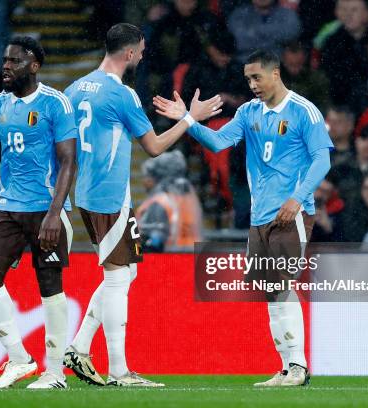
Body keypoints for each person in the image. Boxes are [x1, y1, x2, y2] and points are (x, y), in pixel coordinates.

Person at [154, 49, 333, 386]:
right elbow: (219, 142)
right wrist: (188, 121)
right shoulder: (249, 112)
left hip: (290, 212)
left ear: (275, 73)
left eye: (257, 77)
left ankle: (298, 365)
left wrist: (297, 198)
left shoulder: (303, 111)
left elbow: (321, 160)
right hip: (259, 214)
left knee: (282, 285)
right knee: (270, 290)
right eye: (248, 78)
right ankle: (285, 368)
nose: (252, 84)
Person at [63, 23, 221, 387]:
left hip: (86, 190)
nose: (145, 54)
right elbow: (153, 146)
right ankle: (120, 371)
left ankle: (79, 346)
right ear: (130, 53)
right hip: (110, 194)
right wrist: (189, 119)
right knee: (118, 279)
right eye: (142, 50)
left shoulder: (75, 88)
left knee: (126, 271)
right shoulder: (122, 94)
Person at [0, 36, 77, 390]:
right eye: (5, 60)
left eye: (15, 61)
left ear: (34, 65)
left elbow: (69, 162)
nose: (6, 66)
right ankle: (19, 359)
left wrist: (54, 214)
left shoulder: (56, 103)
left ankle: (55, 372)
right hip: (8, 208)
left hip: (45, 210)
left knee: (49, 285)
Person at [136, 150, 203, 252]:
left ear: (157, 178)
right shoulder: (188, 198)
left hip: (167, 263)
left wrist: (132, 253)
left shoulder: (158, 203)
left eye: (147, 176)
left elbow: (151, 243)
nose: (144, 181)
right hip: (190, 260)